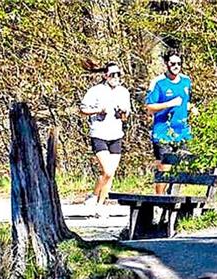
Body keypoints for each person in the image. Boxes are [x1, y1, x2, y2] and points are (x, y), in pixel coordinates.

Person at [79, 62, 132, 216]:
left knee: (111, 173)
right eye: (112, 74)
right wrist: (97, 110)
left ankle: (100, 206)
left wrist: (123, 113)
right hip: (99, 134)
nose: (116, 77)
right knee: (107, 171)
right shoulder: (95, 91)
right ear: (105, 75)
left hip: (116, 135)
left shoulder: (123, 92)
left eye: (118, 74)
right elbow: (82, 109)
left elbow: (126, 116)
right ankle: (93, 196)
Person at [145, 50, 199, 194]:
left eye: (179, 64)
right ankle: (159, 201)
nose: (176, 66)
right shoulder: (158, 83)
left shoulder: (186, 81)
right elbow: (150, 107)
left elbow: (185, 102)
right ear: (166, 64)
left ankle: (172, 198)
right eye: (172, 63)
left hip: (182, 132)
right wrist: (169, 104)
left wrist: (192, 108)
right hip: (163, 132)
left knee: (181, 168)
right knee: (165, 170)